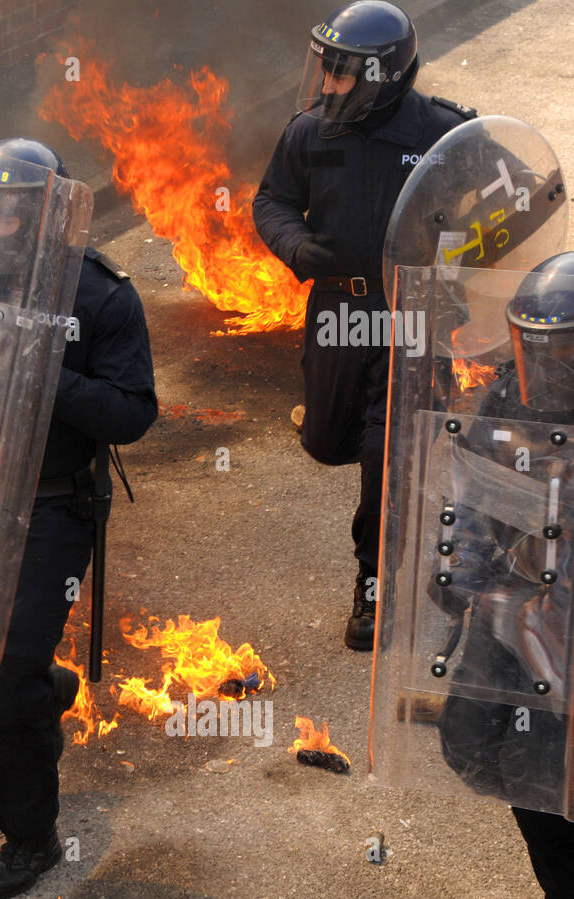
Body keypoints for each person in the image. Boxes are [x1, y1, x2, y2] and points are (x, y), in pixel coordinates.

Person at [0, 139, 157, 899]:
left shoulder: (98, 294)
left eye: (8, 209)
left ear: (46, 214)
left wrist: (45, 375)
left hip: (53, 499)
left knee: (3, 673)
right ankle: (45, 690)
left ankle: (31, 837)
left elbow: (132, 412)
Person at [253, 1, 475, 650]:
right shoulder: (309, 134)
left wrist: (459, 280)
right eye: (325, 70)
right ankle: (403, 489)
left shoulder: (443, 136)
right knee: (327, 440)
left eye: (341, 74)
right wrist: (295, 245)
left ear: (380, 75)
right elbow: (272, 200)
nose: (327, 85)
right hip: (338, 312)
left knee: (385, 452)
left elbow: (494, 208)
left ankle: (374, 583)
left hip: (411, 314)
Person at [431, 252, 574, 899]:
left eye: (564, 351)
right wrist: (458, 570)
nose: (546, 366)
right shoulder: (505, 398)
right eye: (535, 347)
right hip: (518, 619)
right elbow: (466, 494)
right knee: (497, 759)